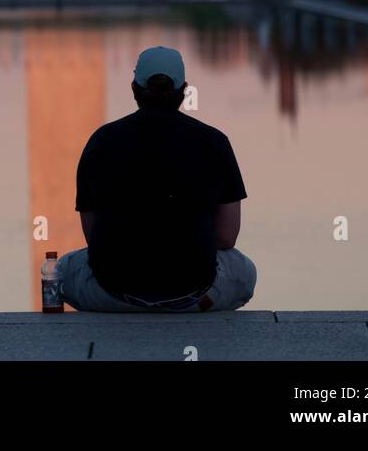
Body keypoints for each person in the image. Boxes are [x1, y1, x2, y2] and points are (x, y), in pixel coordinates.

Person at [58, 45, 256, 313]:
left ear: (134, 89)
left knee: (60, 271)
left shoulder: (102, 141)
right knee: (244, 271)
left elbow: (95, 237)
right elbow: (226, 237)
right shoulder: (214, 142)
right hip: (192, 292)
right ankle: (195, 305)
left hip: (113, 294)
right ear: (184, 90)